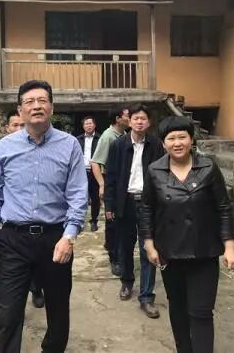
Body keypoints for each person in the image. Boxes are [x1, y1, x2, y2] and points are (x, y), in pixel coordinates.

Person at [0, 80, 88, 353]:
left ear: (52, 107)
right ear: (20, 109)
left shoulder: (69, 145)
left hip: (55, 238)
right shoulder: (6, 146)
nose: (36, 106)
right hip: (13, 239)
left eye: (42, 100)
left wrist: (69, 236)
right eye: (29, 102)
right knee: (6, 312)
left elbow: (78, 194)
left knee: (58, 309)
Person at [140, 116, 234, 353]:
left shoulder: (208, 168)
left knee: (201, 312)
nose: (177, 143)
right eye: (171, 138)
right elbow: (147, 209)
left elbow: (223, 207)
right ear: (163, 143)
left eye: (182, 137)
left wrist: (230, 247)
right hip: (169, 252)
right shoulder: (154, 170)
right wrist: (149, 244)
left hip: (204, 251)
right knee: (178, 309)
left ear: (191, 139)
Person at [104, 104, 165, 318]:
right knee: (125, 246)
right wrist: (109, 205)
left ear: (149, 122)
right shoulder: (118, 145)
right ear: (129, 121)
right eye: (136, 118)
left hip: (148, 203)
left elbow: (162, 176)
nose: (139, 122)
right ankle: (127, 282)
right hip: (125, 202)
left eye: (143, 118)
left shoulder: (156, 145)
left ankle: (147, 296)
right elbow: (111, 176)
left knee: (148, 248)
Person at [1, 108, 44, 308]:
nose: (19, 128)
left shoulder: (38, 148)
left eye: (22, 125)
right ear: (7, 128)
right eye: (15, 125)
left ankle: (36, 289)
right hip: (10, 222)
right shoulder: (2, 148)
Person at [90, 106, 130, 276]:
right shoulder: (108, 137)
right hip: (111, 184)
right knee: (112, 222)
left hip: (123, 185)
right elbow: (95, 162)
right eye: (127, 115)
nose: (130, 118)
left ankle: (115, 248)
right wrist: (102, 185)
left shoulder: (124, 135)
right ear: (118, 119)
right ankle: (114, 259)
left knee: (121, 223)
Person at [76, 116, 101, 232]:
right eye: (86, 124)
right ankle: (79, 221)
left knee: (95, 198)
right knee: (81, 197)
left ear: (94, 125)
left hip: (95, 171)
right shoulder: (78, 139)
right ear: (83, 126)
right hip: (81, 171)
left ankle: (94, 220)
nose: (89, 126)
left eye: (90, 123)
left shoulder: (100, 139)